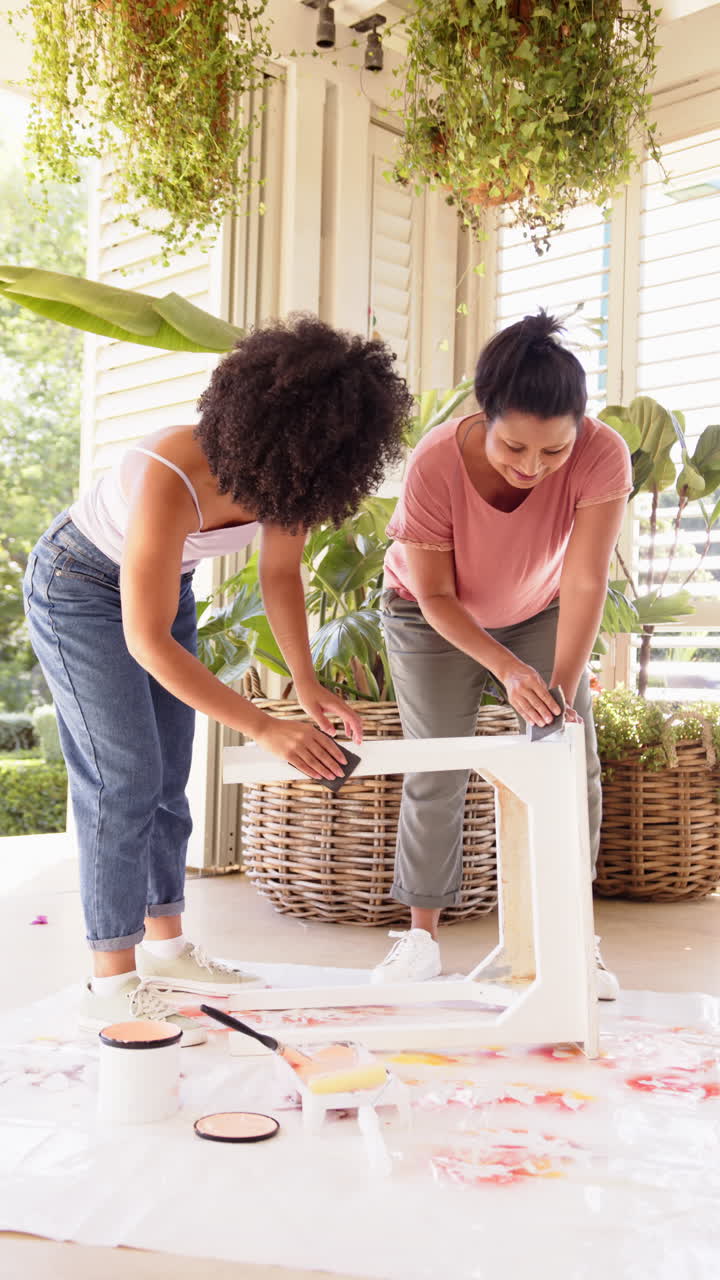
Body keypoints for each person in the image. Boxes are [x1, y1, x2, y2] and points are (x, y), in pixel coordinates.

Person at [23, 315, 413, 1043]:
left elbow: (279, 574)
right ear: (262, 430)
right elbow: (144, 640)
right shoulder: (171, 470)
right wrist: (264, 725)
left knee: (168, 773)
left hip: (166, 587)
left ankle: (167, 951)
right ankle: (111, 982)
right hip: (79, 586)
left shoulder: (294, 478)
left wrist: (304, 682)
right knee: (122, 778)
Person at [372, 310, 630, 999]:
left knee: (569, 756)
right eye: (514, 448)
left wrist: (559, 690)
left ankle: (572, 937)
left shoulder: (603, 456)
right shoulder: (433, 462)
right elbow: (435, 595)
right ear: (485, 417)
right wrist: (507, 669)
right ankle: (421, 939)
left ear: (579, 428)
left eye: (553, 452)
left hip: (540, 607)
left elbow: (583, 577)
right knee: (439, 764)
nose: (532, 468)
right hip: (433, 617)